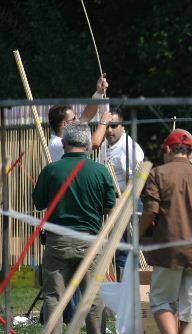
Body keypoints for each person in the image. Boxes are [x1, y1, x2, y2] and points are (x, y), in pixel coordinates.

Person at [33, 123, 117, 334]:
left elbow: (39, 203)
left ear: (63, 143)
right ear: (88, 144)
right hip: (90, 242)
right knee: (93, 299)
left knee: (54, 297)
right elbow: (110, 206)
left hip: (58, 241)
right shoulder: (101, 171)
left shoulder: (51, 170)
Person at [139, 129, 192, 334]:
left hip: (169, 250)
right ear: (191, 151)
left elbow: (150, 212)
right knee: (191, 310)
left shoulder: (157, 174)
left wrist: (137, 235)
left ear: (167, 149)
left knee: (161, 302)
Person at [48, 75, 112, 161]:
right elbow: (95, 143)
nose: (77, 120)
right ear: (65, 124)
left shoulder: (68, 135)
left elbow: (86, 116)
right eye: (74, 118)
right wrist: (103, 123)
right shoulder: (57, 143)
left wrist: (98, 93)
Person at [98, 107, 145, 192]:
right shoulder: (104, 144)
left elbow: (135, 183)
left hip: (124, 202)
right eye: (107, 126)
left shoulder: (129, 148)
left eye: (113, 125)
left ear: (123, 126)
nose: (109, 130)